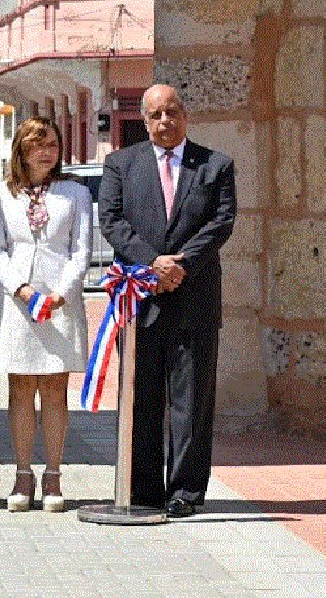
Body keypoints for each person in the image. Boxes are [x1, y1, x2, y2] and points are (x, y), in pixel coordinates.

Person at [98, 84, 237, 518]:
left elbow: (221, 221)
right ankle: (143, 491)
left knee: (191, 401)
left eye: (172, 113)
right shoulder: (121, 164)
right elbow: (111, 219)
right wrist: (152, 263)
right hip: (141, 302)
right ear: (144, 119)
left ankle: (186, 493)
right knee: (141, 398)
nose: (165, 122)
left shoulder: (215, 165)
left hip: (194, 298)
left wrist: (180, 266)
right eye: (156, 115)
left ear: (185, 115)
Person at [0, 117, 92, 513]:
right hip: (17, 302)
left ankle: (54, 474)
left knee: (54, 390)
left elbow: (81, 251)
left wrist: (61, 293)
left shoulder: (75, 194)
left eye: (52, 145)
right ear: (21, 150)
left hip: (60, 303)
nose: (46, 152)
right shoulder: (0, 194)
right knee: (20, 389)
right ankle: (22, 473)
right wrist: (22, 290)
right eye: (37, 145)